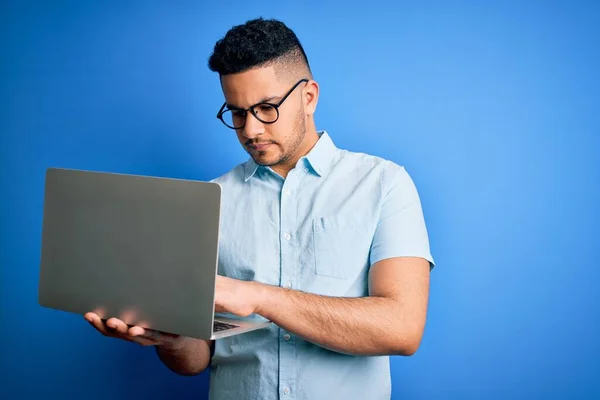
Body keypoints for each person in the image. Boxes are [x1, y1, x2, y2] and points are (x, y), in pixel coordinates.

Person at [85, 17, 435, 400]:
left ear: (309, 96)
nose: (250, 130)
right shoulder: (209, 200)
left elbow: (402, 328)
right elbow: (198, 358)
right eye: (236, 113)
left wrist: (259, 297)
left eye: (266, 108)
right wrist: (171, 340)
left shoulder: (384, 184)